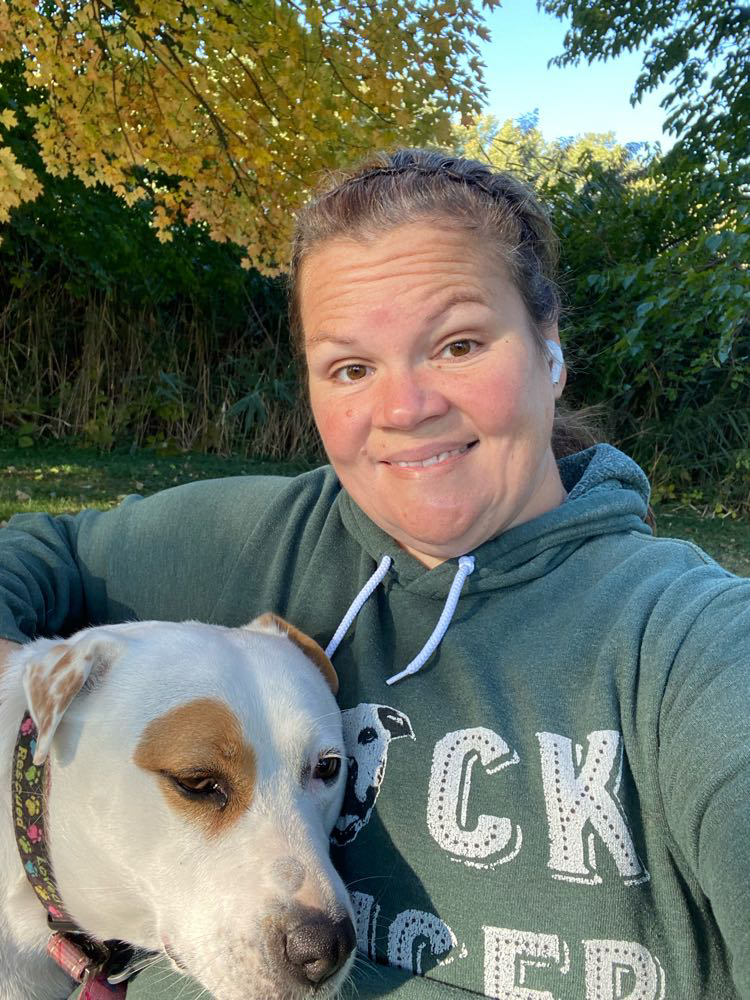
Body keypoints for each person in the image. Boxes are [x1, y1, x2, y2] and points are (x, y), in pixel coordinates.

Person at [1, 148, 749, 1000]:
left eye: (458, 344)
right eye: (352, 368)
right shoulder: (269, 536)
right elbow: (44, 549)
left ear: (550, 349)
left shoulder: (692, 642)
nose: (404, 408)